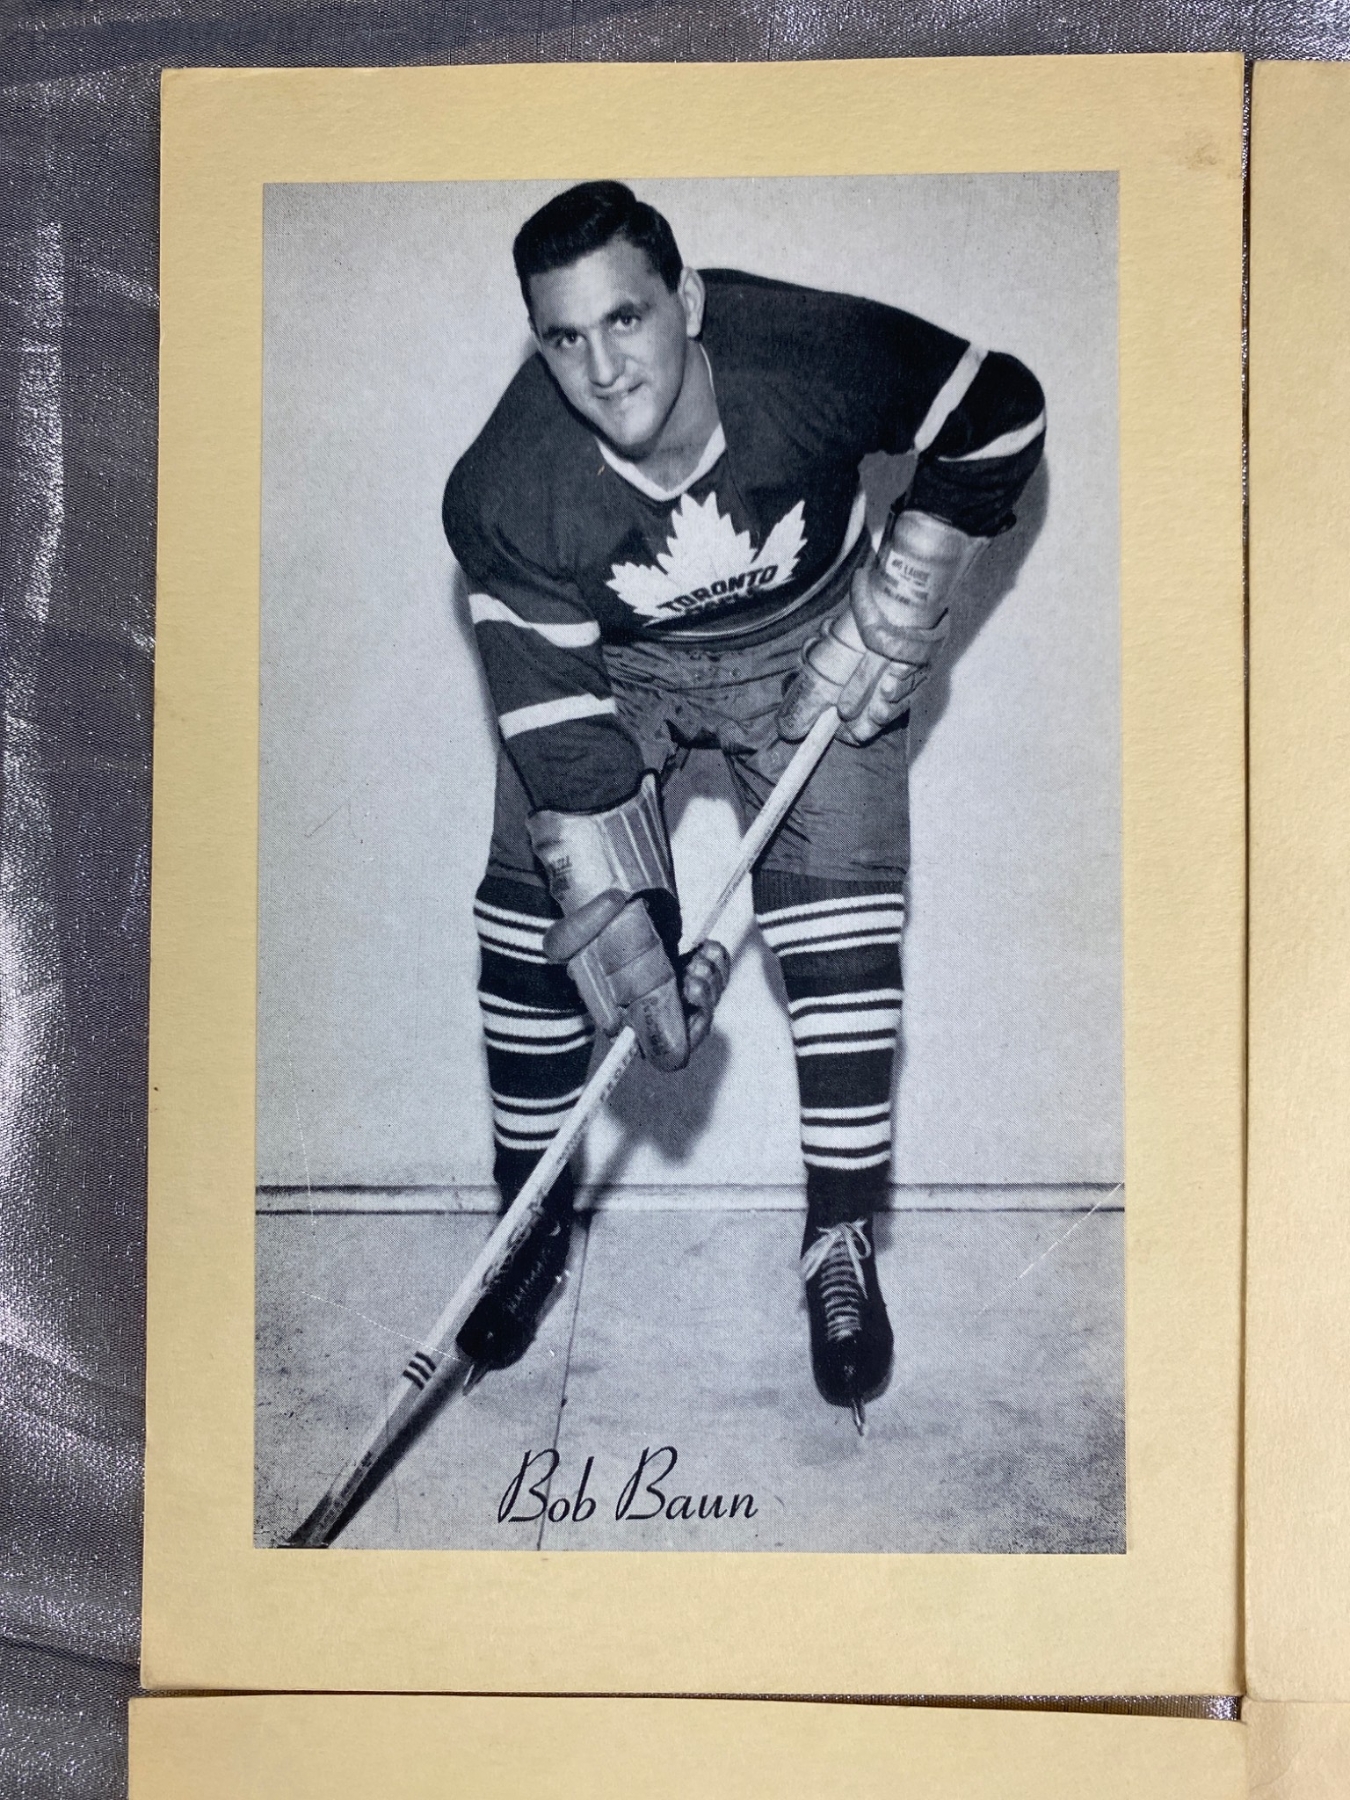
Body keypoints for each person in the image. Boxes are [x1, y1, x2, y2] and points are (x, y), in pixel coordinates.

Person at [442, 180, 1044, 1424]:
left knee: (842, 942)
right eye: (565, 337)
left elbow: (1002, 404)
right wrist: (636, 940)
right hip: (616, 673)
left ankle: (839, 1241)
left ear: (689, 299)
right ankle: (528, 1220)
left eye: (627, 319)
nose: (604, 368)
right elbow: (573, 763)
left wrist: (910, 577)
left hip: (808, 645)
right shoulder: (505, 488)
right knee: (534, 926)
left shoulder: (806, 351)